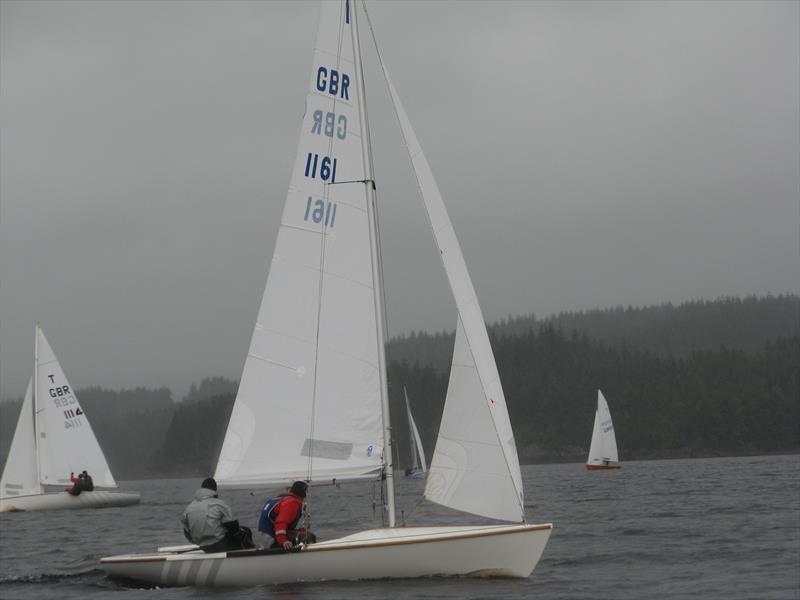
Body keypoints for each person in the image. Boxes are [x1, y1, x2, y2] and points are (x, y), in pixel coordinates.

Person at [181, 477, 254, 553]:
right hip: (220, 544)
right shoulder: (220, 504)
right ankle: (250, 556)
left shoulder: (189, 508)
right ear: (214, 490)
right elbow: (233, 529)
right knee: (246, 531)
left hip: (203, 546)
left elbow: (187, 533)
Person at [258, 481, 316, 550]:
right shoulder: (292, 503)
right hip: (272, 539)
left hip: (266, 537)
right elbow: (281, 522)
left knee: (303, 532)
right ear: (304, 493)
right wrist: (283, 541)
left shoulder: (281, 499)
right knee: (308, 536)